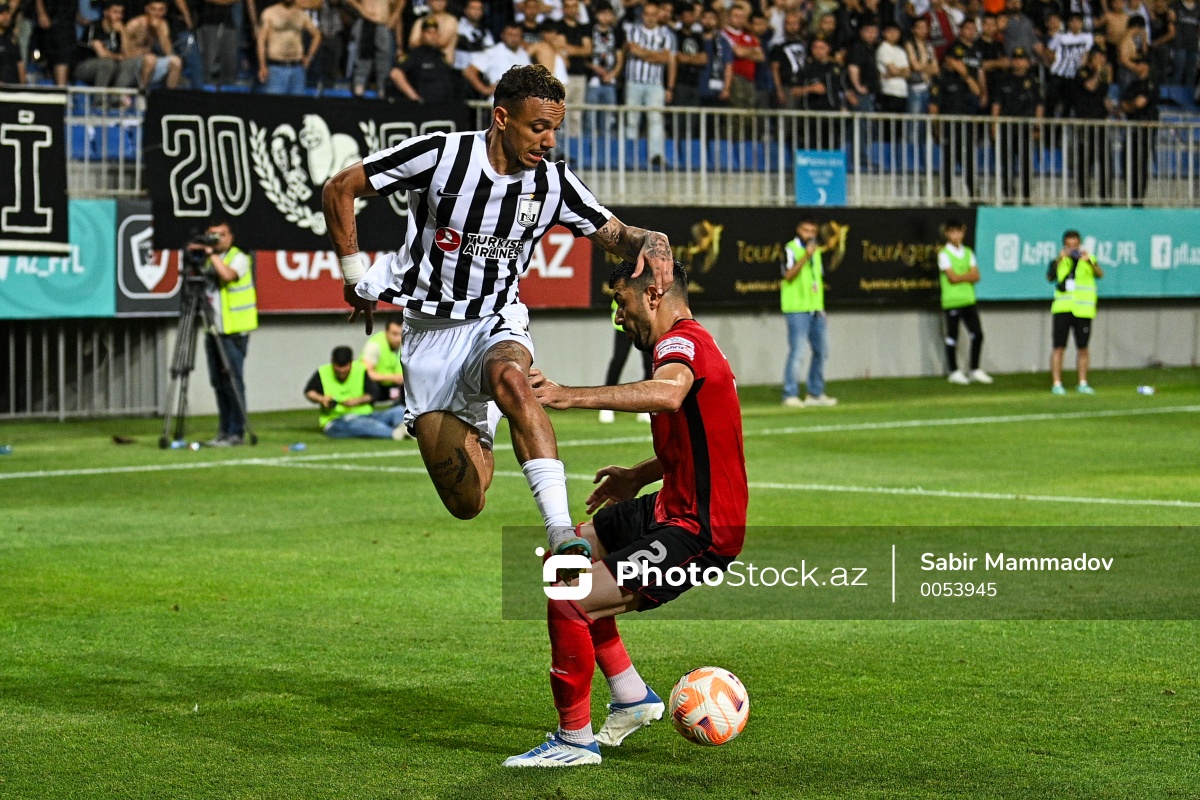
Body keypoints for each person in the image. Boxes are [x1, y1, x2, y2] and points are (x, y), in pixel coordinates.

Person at [321, 64, 675, 553]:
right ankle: (481, 423)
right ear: (502, 118)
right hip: (428, 335)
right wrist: (354, 278)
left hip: (496, 318)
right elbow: (339, 187)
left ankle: (561, 531)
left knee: (511, 377)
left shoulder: (554, 183)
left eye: (555, 128)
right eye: (538, 127)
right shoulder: (440, 156)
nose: (549, 141)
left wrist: (654, 241)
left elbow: (617, 235)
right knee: (468, 501)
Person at [511, 259, 748, 767]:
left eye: (622, 302)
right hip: (669, 506)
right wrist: (640, 474)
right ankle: (631, 696)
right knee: (565, 561)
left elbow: (669, 394)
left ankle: (575, 741)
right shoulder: (691, 344)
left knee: (570, 598)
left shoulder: (681, 344)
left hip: (701, 530)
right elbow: (702, 436)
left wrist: (568, 395)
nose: (619, 316)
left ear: (654, 294)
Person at [188, 219, 257, 447]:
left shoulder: (239, 257)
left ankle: (236, 432)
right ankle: (224, 430)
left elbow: (227, 275)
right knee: (218, 383)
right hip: (213, 329)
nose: (216, 240)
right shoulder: (208, 259)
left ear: (230, 237)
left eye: (221, 235)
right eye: (212, 235)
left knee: (233, 382)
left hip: (233, 331)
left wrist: (211, 254)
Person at [780, 217, 837, 408]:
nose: (809, 234)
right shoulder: (791, 249)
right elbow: (788, 275)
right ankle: (790, 394)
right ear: (798, 230)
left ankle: (815, 393)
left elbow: (816, 281)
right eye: (806, 230)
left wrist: (821, 308)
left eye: (813, 231)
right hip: (797, 308)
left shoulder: (817, 252)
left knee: (822, 351)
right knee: (798, 352)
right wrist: (805, 256)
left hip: (816, 309)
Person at [930, 19, 985, 204]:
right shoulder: (942, 79)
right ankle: (947, 197)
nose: (956, 63)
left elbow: (977, 91)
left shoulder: (965, 78)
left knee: (968, 159)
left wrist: (966, 74)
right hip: (948, 123)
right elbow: (934, 105)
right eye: (953, 60)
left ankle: (973, 196)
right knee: (948, 160)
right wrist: (935, 125)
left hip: (966, 120)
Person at [305, 346, 410, 439]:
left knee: (399, 410)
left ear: (351, 362)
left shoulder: (360, 370)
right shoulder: (323, 372)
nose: (341, 370)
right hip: (336, 420)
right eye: (338, 367)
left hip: (366, 415)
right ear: (332, 362)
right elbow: (309, 392)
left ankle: (405, 427)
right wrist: (322, 399)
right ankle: (394, 433)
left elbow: (373, 394)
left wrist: (357, 401)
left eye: (345, 367)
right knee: (360, 424)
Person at [1048, 229, 1103, 394]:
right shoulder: (1059, 260)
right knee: (1058, 347)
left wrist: (1089, 261)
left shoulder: (1089, 259)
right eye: (1069, 245)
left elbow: (1099, 274)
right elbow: (1050, 277)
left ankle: (1083, 382)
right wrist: (1060, 259)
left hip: (1082, 309)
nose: (1072, 249)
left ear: (1080, 244)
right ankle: (1057, 383)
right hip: (1063, 308)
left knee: (1083, 347)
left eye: (1075, 245)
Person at [938, 219, 992, 385]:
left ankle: (975, 369)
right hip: (952, 301)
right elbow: (952, 278)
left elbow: (977, 275)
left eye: (958, 231)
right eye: (952, 232)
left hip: (968, 300)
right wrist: (967, 276)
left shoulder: (968, 252)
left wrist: (962, 276)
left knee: (978, 335)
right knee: (952, 337)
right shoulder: (944, 254)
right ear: (947, 234)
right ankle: (953, 371)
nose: (956, 235)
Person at [624, 0, 676, 168]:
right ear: (642, 15)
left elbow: (666, 58)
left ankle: (656, 155)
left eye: (654, 14)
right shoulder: (633, 30)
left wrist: (644, 53)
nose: (651, 18)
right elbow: (633, 50)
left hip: (655, 83)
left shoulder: (666, 34)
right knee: (632, 119)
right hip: (634, 81)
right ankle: (630, 156)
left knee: (656, 120)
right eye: (647, 14)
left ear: (658, 15)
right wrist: (655, 55)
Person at [991, 47, 1043, 204]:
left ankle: (1026, 196)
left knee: (1026, 163)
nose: (1019, 62)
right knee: (1006, 163)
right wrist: (994, 125)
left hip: (1026, 128)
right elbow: (997, 104)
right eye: (1016, 59)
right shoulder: (1003, 80)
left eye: (1022, 59)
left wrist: (1037, 127)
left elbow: (1039, 106)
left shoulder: (1034, 82)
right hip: (1007, 128)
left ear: (1027, 62)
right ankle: (1008, 195)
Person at [598, 298, 653, 423]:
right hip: (624, 325)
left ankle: (646, 406)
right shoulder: (622, 287)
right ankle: (606, 405)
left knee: (649, 363)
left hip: (645, 325)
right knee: (619, 360)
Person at [1072, 46, 1113, 201]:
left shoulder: (1104, 75)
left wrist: (1113, 109)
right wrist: (1097, 72)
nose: (1101, 60)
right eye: (1098, 57)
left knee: (1105, 160)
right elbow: (1090, 86)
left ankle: (1106, 196)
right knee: (1085, 160)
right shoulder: (1082, 72)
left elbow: (1103, 96)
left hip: (1100, 123)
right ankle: (1084, 196)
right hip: (1086, 123)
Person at [256, 0, 321, 95]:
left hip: (297, 68)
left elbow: (317, 35)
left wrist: (309, 57)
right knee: (274, 103)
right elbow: (261, 40)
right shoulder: (270, 13)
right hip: (276, 68)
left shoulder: (301, 14)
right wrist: (262, 65)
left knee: (297, 104)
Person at [389, 17, 459, 102]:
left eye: (435, 33)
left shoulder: (440, 56)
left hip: (442, 105)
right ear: (422, 34)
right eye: (428, 32)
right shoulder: (414, 55)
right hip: (422, 106)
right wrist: (414, 97)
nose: (432, 36)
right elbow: (395, 73)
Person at [75, 1, 142, 88]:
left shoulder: (120, 30)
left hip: (113, 66)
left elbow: (129, 55)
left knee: (130, 63)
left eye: (121, 13)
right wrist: (118, 57)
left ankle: (117, 95)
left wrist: (123, 33)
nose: (119, 16)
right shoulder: (95, 27)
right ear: (105, 12)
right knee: (107, 63)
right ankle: (100, 96)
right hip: (85, 66)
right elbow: (102, 54)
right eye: (115, 12)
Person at [1120, 55, 1158, 204]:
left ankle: (1139, 199)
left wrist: (1130, 106)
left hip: (1144, 132)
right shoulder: (1133, 85)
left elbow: (1139, 103)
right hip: (1132, 131)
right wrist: (1131, 105)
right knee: (1128, 163)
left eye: (1139, 63)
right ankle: (1131, 197)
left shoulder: (1151, 84)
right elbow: (1124, 104)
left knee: (1140, 166)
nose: (1136, 66)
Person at [347, 0, 401, 96]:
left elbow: (401, 2)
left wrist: (395, 15)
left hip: (383, 24)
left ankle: (382, 93)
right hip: (366, 23)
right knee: (363, 61)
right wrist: (361, 9)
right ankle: (358, 93)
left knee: (384, 62)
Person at [124, 0, 183, 89]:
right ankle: (142, 93)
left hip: (151, 62)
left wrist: (159, 31)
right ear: (146, 9)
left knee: (176, 61)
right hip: (132, 63)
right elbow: (123, 49)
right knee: (150, 59)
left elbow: (168, 52)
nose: (157, 13)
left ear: (165, 11)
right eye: (153, 9)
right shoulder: (135, 24)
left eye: (160, 10)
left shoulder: (162, 24)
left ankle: (170, 95)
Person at [464, 22, 531, 97]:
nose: (514, 38)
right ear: (503, 36)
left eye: (517, 35)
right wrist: (485, 90)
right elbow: (469, 71)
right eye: (510, 35)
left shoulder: (523, 53)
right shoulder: (492, 52)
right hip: (501, 98)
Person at [361, 318, 405, 405]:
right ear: (386, 332)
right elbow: (368, 373)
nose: (398, 339)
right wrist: (392, 378)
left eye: (401, 334)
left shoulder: (407, 343)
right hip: (378, 385)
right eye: (394, 334)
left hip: (397, 384)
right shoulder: (374, 345)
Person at [0, 2, 22, 86]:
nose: (6, 17)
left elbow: (20, 64)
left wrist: (23, 87)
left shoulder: (12, 39)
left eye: (8, 13)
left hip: (15, 89)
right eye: (2, 14)